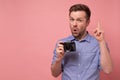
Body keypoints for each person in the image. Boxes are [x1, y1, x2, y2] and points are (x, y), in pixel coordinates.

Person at [51, 4, 113, 80]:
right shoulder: (62, 44)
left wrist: (101, 41)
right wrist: (59, 59)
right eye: (72, 19)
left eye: (79, 20)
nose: (74, 24)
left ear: (87, 22)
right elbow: (54, 74)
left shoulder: (99, 43)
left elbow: (108, 70)